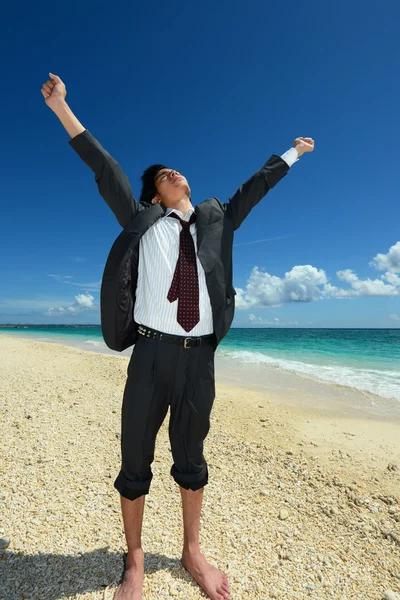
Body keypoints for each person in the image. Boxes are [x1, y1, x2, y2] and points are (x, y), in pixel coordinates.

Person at [41, 72, 314, 600]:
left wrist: (294, 153)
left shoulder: (215, 218)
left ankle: (192, 551)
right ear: (151, 194)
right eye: (160, 175)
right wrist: (61, 109)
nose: (172, 170)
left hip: (199, 359)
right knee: (135, 456)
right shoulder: (141, 220)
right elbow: (104, 167)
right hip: (150, 354)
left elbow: (254, 187)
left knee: (191, 455)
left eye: (175, 170)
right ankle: (136, 559)